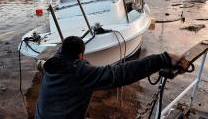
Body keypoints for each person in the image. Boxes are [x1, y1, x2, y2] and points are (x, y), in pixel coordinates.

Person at [35, 36, 186, 119]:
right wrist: (163, 58)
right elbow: (120, 73)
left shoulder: (49, 65)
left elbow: (41, 64)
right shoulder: (80, 73)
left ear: (61, 50)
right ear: (81, 55)